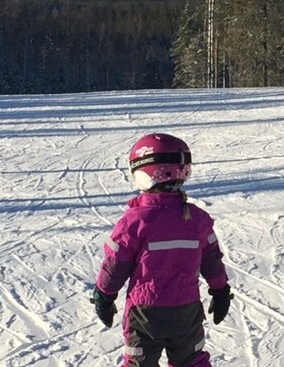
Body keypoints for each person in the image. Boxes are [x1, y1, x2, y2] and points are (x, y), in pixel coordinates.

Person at [92, 133, 233, 367]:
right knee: (191, 361)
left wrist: (104, 294)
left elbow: (115, 263)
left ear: (144, 174)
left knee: (139, 363)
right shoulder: (197, 219)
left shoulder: (134, 221)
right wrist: (220, 290)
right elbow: (212, 260)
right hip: (186, 311)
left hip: (145, 313)